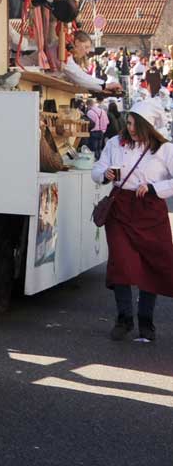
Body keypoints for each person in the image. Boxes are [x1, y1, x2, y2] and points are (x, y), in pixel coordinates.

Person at [92, 103, 173, 342]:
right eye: (128, 123)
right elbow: (97, 169)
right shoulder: (114, 143)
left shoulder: (165, 149)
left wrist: (154, 188)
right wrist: (103, 174)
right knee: (121, 264)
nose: (131, 129)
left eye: (136, 125)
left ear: (148, 126)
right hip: (120, 208)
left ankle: (146, 321)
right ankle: (124, 319)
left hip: (150, 208)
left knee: (151, 265)